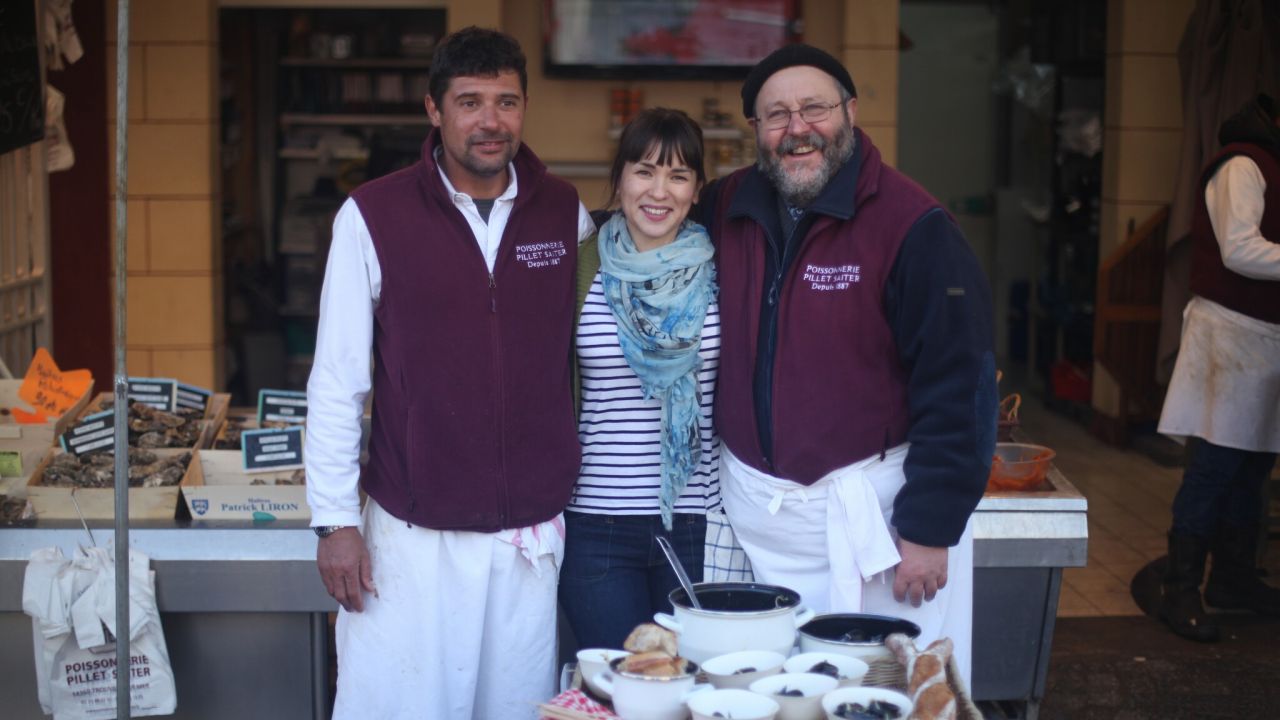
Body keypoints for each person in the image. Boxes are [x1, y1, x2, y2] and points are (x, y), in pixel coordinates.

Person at [304, 27, 595, 719]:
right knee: (400, 705)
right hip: (412, 533)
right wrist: (334, 521)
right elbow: (338, 377)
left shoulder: (565, 214)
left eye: (506, 101)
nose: (490, 121)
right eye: (469, 102)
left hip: (527, 533)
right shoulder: (372, 215)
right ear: (434, 111)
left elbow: (591, 356)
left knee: (516, 709)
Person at [695, 44, 996, 684]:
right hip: (758, 531)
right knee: (775, 694)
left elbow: (960, 386)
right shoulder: (724, 208)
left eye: (814, 108)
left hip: (883, 535)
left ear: (851, 112)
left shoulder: (914, 224)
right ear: (755, 130)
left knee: (891, 692)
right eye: (776, 115)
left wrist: (930, 527)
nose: (796, 128)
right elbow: (645, 225)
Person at [558, 108, 720, 650]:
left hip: (699, 521)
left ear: (697, 189)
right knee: (619, 691)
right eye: (645, 170)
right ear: (621, 178)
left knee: (698, 691)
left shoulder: (724, 270)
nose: (660, 190)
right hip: (597, 525)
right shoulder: (580, 267)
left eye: (678, 175)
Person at [1156, 93, 1280, 642]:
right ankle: (1179, 589)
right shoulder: (1244, 163)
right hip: (1230, 335)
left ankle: (1232, 579)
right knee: (1213, 470)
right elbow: (1238, 249)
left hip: (1266, 339)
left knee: (1253, 471)